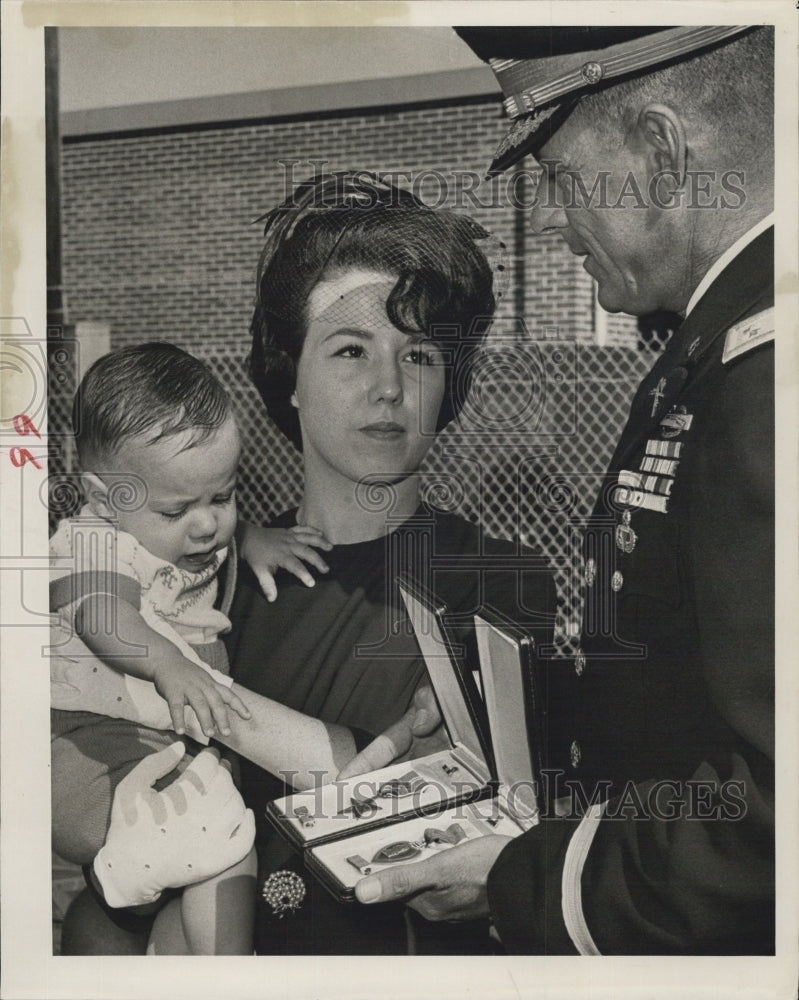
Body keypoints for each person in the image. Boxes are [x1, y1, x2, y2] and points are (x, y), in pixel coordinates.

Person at [52, 172, 558, 955]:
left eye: (418, 354)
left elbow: (481, 832)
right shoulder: (197, 579)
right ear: (288, 372)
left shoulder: (499, 584)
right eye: (350, 349)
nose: (387, 388)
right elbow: (98, 912)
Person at [353, 25, 776, 956]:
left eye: (555, 173)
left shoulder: (765, 368)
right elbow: (692, 682)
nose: (545, 215)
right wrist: (511, 725)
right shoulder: (724, 340)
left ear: (661, 154)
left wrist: (529, 881)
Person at [49, 341, 414, 953]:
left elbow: (218, 531)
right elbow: (102, 614)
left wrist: (253, 538)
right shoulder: (89, 540)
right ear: (106, 498)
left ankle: (166, 946)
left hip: (153, 739)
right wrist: (165, 662)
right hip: (84, 743)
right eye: (176, 508)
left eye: (221, 497)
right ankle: (227, 969)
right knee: (222, 837)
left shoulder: (192, 531)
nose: (205, 525)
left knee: (189, 864)